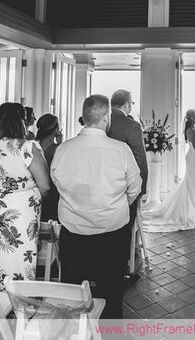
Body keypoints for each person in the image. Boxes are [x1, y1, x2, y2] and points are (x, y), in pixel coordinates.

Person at [50, 95, 142, 319]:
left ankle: (75, 333)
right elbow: (135, 187)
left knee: (74, 294)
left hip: (74, 234)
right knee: (111, 292)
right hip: (112, 233)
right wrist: (117, 206)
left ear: (84, 117)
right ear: (106, 118)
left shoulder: (63, 149)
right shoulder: (120, 150)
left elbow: (57, 184)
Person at [0, 102, 51, 289]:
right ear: (20, 122)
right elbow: (46, 186)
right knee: (17, 258)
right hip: (20, 213)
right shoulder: (27, 147)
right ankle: (19, 305)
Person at [143, 110, 195, 232]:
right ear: (192, 117)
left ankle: (194, 207)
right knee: (190, 181)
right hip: (192, 157)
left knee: (194, 182)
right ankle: (188, 209)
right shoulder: (190, 130)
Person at [106, 89, 148, 285]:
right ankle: (122, 269)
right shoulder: (131, 125)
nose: (132, 106)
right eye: (132, 103)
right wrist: (142, 189)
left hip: (103, 184)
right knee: (124, 228)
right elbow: (140, 158)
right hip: (124, 186)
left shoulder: (101, 122)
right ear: (125, 105)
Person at [36, 114, 62, 222]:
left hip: (36, 192)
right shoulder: (57, 149)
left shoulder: (33, 146)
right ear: (56, 130)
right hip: (52, 194)